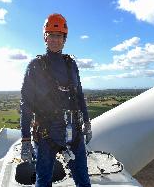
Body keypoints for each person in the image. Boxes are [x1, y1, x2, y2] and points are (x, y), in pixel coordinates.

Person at [20, 13, 92, 187]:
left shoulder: (70, 64)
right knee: (43, 180)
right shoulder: (35, 66)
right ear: (45, 37)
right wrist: (25, 139)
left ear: (64, 39)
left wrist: (87, 122)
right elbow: (26, 103)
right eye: (51, 35)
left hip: (73, 129)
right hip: (46, 131)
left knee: (83, 178)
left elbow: (79, 94)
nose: (55, 40)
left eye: (59, 36)